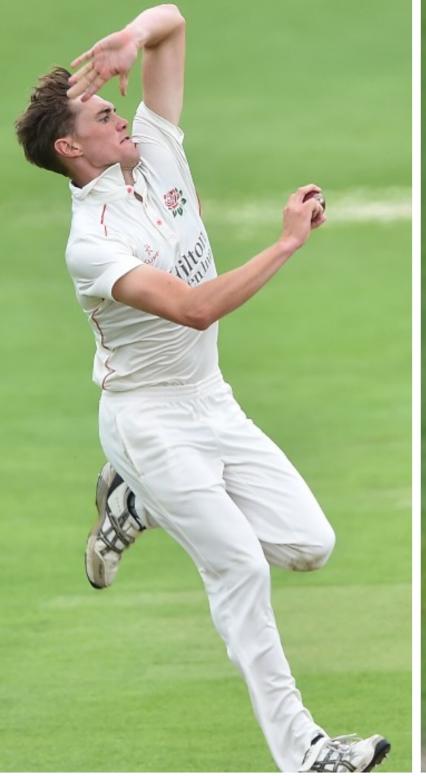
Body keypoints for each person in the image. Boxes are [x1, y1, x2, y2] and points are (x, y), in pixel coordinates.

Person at [15, 5, 388, 772]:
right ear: (68, 147)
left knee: (310, 545)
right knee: (240, 570)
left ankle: (138, 502)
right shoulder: (92, 245)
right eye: (97, 113)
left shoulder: (150, 148)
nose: (117, 111)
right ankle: (308, 752)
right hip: (147, 421)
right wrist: (286, 243)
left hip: (211, 402)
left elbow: (174, 21)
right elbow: (193, 308)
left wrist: (131, 34)